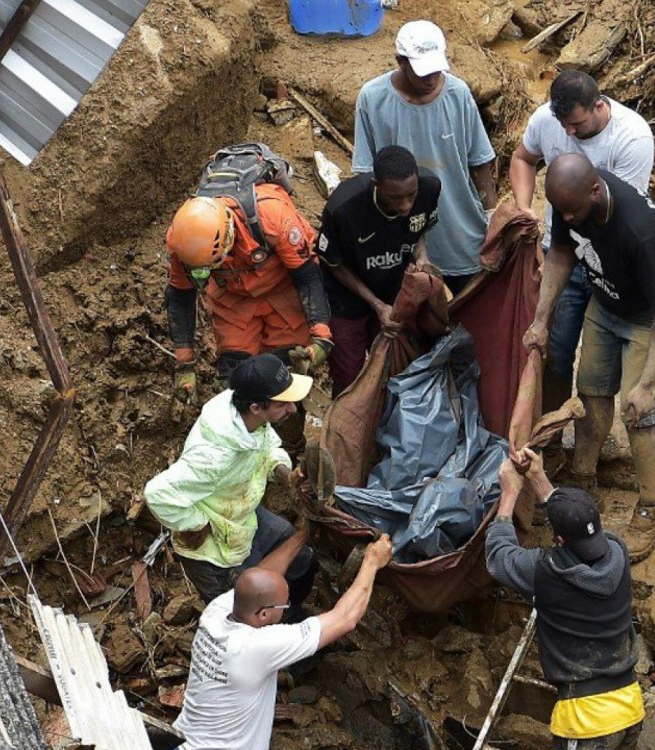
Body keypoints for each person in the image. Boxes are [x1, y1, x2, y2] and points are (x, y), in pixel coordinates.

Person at [523, 154, 655, 562]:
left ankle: (652, 509)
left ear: (596, 191)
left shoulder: (639, 230)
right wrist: (541, 320)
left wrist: (648, 384)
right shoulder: (571, 201)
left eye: (573, 212)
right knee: (591, 391)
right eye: (561, 212)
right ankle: (584, 480)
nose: (567, 218)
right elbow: (562, 255)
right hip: (608, 301)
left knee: (638, 413)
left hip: (651, 315)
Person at [509, 70, 654, 422]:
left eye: (575, 124)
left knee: (597, 362)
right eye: (563, 125)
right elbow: (523, 159)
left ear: (599, 106)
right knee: (554, 349)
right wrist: (526, 207)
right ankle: (551, 431)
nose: (569, 133)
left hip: (610, 262)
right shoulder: (548, 120)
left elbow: (618, 216)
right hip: (561, 251)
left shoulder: (632, 138)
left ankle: (592, 436)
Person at [174, 533, 394, 750]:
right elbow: (344, 618)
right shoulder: (257, 647)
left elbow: (261, 576)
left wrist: (304, 533)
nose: (288, 605)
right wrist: (372, 562)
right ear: (263, 615)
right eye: (285, 604)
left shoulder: (216, 613)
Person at [486, 450, 643, 749]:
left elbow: (497, 557)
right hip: (629, 708)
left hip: (587, 723)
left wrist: (509, 495)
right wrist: (538, 477)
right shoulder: (618, 552)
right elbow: (576, 522)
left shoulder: (547, 572)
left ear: (559, 541)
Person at [144, 355, 317, 614]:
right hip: (213, 547)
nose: (292, 409)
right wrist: (197, 523)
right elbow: (157, 493)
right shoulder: (214, 457)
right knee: (245, 613)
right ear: (257, 407)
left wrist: (285, 474)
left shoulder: (247, 415)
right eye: (283, 404)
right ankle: (276, 630)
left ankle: (290, 611)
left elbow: (267, 444)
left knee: (300, 557)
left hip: (241, 512)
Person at [351, 19, 497, 295]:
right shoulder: (373, 99)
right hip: (400, 231)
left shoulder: (458, 94)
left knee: (470, 311)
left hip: (459, 226)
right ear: (401, 62)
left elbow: (479, 160)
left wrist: (490, 214)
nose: (430, 79)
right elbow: (364, 174)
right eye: (421, 73)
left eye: (435, 71)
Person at [164, 187, 332, 405]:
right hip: (233, 299)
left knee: (283, 376)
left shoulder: (274, 218)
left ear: (227, 240)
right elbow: (180, 295)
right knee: (234, 379)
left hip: (282, 292)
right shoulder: (181, 241)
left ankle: (288, 437)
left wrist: (321, 337)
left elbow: (308, 277)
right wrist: (184, 364)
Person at [317, 145, 441, 394]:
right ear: (376, 185)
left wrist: (422, 257)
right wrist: (376, 305)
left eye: (411, 196)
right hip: (346, 297)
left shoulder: (429, 188)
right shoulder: (344, 208)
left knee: (396, 363)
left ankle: (388, 423)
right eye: (395, 198)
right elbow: (335, 264)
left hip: (392, 288)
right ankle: (347, 426)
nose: (406, 206)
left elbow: (418, 232)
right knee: (348, 372)